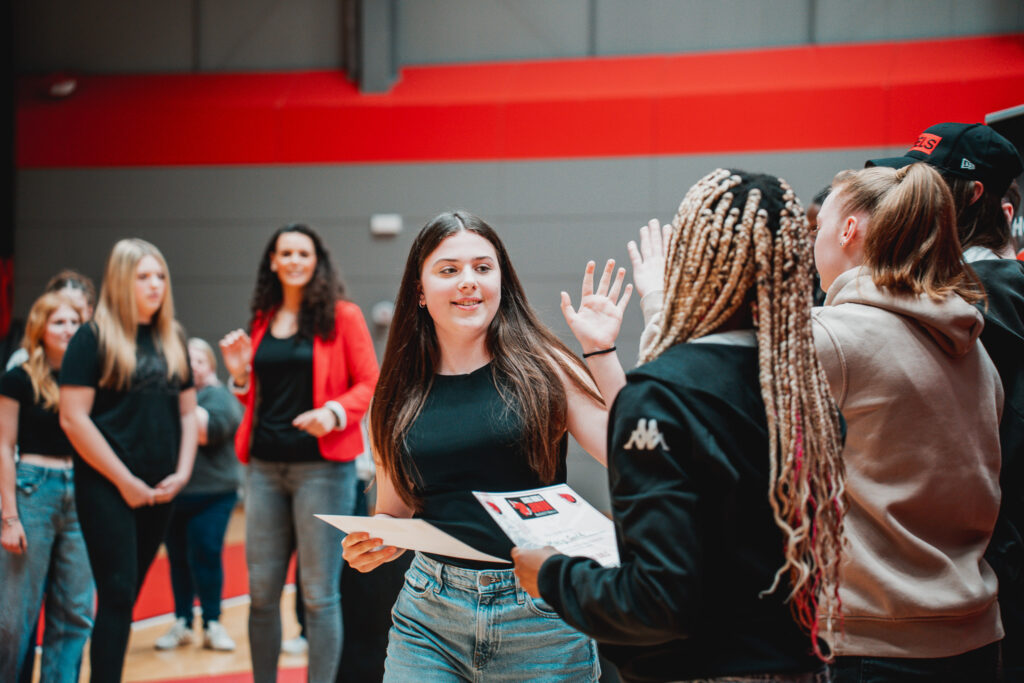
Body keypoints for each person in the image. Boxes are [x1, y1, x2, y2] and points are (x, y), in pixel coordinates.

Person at [513, 170, 845, 682]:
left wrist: (554, 575)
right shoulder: (798, 386)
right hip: (799, 664)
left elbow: (657, 603)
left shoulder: (661, 394)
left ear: (690, 263)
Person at [342, 210, 631, 682]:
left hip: (542, 616)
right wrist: (379, 541)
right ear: (419, 290)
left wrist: (600, 353)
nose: (468, 282)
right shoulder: (395, 392)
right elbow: (393, 511)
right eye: (449, 270)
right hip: (429, 617)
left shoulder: (546, 366)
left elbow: (632, 456)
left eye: (482, 267)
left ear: (502, 279)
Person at [812, 163, 1003, 681]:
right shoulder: (975, 349)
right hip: (974, 636)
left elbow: (693, 429)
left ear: (848, 231)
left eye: (819, 227)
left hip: (873, 642)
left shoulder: (832, 337)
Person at [867, 123, 1024, 680]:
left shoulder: (971, 302)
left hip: (983, 577)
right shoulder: (985, 291)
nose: (903, 198)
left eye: (923, 184)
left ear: (972, 195)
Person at [219, 223, 379, 683]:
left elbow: (369, 383)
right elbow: (257, 399)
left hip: (323, 471)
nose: (293, 260)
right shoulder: (263, 319)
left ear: (316, 261)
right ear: (273, 260)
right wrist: (240, 377)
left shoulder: (342, 316)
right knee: (261, 593)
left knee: (318, 596)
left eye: (302, 253)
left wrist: (332, 413)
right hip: (265, 468)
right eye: (284, 252)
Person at [59, 238, 198, 683]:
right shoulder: (92, 338)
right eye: (143, 277)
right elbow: (73, 419)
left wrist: (182, 472)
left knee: (125, 599)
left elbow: (188, 413)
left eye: (160, 276)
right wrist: (124, 481)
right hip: (108, 486)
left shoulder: (172, 337)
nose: (155, 285)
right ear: (122, 281)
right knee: (117, 594)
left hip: (161, 489)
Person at [0, 292, 93, 683]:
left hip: (83, 492)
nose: (68, 329)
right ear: (41, 328)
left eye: (75, 322)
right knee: (14, 616)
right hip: (33, 490)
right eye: (59, 322)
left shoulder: (92, 378)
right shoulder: (18, 378)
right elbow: (3, 445)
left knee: (75, 612)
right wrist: (8, 517)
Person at [154, 337, 243, 652]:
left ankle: (212, 622)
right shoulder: (172, 396)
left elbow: (204, 432)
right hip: (176, 493)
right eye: (186, 360)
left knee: (205, 553)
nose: (191, 366)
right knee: (177, 558)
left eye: (199, 361)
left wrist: (173, 408)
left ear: (210, 366)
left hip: (214, 493)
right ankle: (182, 621)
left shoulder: (220, 398)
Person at [6, 269, 96, 370]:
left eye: (76, 308)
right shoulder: (21, 362)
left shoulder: (100, 358)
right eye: (59, 322)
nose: (69, 329)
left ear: (90, 311)